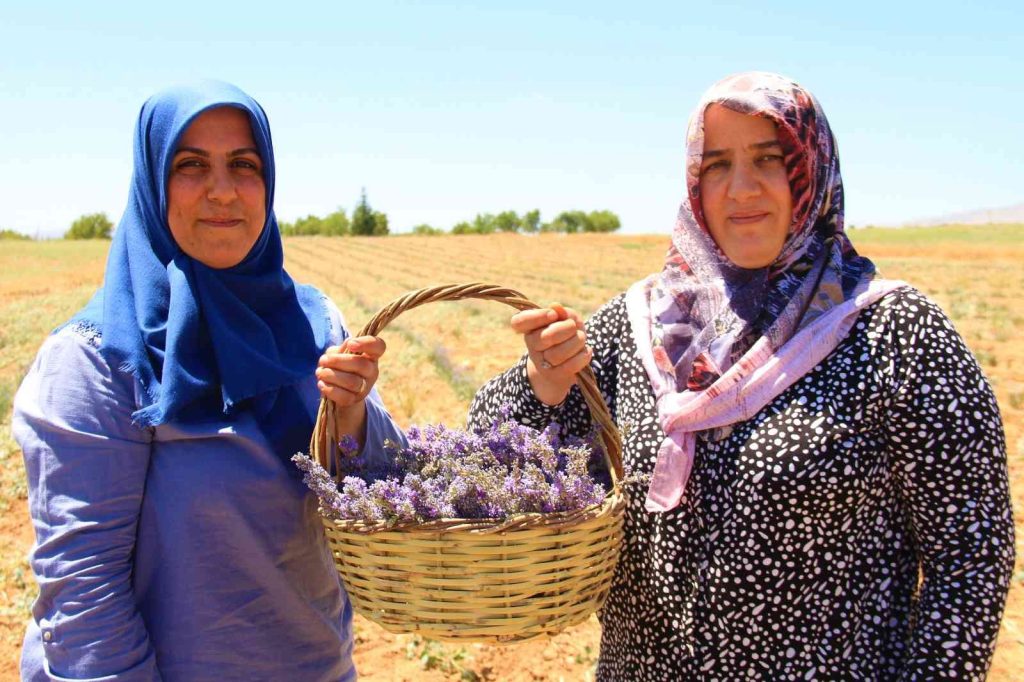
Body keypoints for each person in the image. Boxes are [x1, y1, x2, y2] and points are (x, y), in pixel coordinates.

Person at [468, 72, 1015, 680]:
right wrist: (544, 377)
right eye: (717, 165)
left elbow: (969, 557)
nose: (741, 189)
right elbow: (490, 455)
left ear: (810, 168)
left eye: (768, 159)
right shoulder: (639, 325)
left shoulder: (894, 332)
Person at [13, 81, 404, 681]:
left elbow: (381, 487)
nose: (222, 190)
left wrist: (350, 413)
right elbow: (84, 592)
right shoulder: (99, 359)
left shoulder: (314, 324)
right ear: (153, 182)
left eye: (243, 165)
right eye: (191, 165)